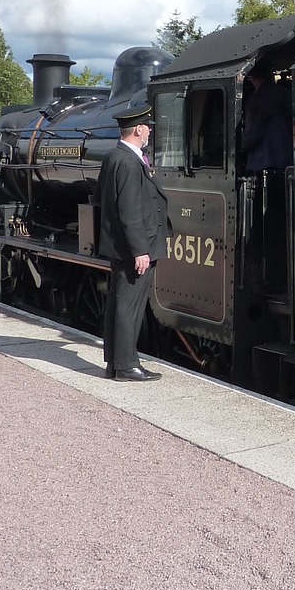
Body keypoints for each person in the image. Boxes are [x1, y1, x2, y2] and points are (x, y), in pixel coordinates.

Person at [97, 100, 169, 381]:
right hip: (134, 249)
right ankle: (126, 366)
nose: (150, 131)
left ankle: (116, 363)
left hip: (123, 246)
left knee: (120, 304)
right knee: (129, 308)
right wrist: (140, 250)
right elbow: (129, 210)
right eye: (147, 127)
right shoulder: (127, 161)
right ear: (138, 129)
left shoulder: (116, 158)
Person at [240, 62, 292, 171]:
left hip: (264, 161)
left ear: (253, 78)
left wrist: (235, 147)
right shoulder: (287, 94)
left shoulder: (256, 100)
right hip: (288, 159)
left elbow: (251, 135)